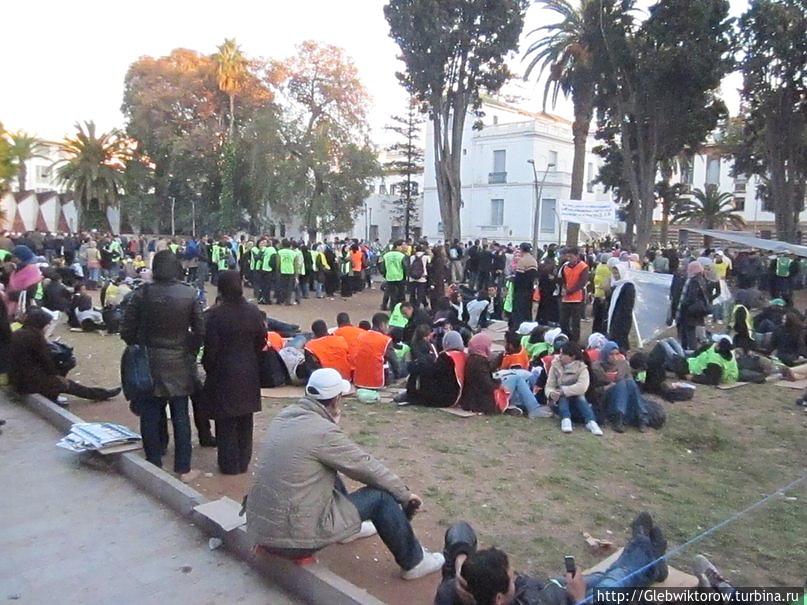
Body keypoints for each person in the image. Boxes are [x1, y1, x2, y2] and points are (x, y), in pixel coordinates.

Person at [246, 368, 445, 579]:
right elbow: (366, 466)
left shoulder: (283, 418)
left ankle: (350, 529)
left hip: (261, 530)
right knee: (381, 498)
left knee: (321, 471)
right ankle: (414, 561)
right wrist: (404, 495)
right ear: (336, 400)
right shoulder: (323, 432)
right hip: (293, 541)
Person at [435, 512, 669, 605]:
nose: (515, 576)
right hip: (579, 599)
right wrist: (578, 599)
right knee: (618, 577)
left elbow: (459, 529)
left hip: (558, 587)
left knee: (606, 574)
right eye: (511, 577)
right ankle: (646, 547)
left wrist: (459, 567)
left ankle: (652, 561)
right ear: (498, 598)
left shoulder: (452, 592)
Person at [121, 250, 204, 482]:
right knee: (180, 415)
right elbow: (200, 330)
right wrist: (189, 350)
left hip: (148, 360)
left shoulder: (142, 294)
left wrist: (139, 345)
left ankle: (154, 461)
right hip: (180, 360)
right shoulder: (190, 294)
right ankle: (183, 466)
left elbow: (126, 329)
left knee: (149, 413)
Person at [200, 271, 265, 475]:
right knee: (246, 420)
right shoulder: (253, 312)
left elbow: (210, 348)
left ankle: (229, 464)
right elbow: (261, 340)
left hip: (223, 372)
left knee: (225, 421)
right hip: (248, 370)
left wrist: (210, 367)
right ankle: (243, 461)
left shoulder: (215, 315)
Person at [9, 308, 120, 403]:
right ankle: (101, 394)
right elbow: (46, 361)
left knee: (63, 379)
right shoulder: (35, 338)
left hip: (18, 378)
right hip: (28, 382)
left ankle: (100, 393)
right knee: (69, 384)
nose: (47, 327)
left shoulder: (19, 333)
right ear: (40, 324)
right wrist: (57, 377)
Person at [544, 342, 603, 435]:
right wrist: (551, 393)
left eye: (563, 354)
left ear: (572, 356)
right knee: (562, 395)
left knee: (578, 395)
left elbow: (582, 387)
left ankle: (591, 421)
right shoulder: (555, 365)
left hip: (579, 401)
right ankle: (566, 419)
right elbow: (549, 385)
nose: (560, 356)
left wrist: (564, 391)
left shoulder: (582, 368)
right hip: (559, 401)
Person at [591, 341, 649, 433]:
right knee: (621, 383)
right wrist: (610, 383)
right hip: (605, 397)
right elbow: (593, 390)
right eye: (611, 354)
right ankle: (618, 417)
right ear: (605, 354)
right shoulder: (596, 367)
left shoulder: (623, 364)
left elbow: (632, 384)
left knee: (629, 382)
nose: (614, 357)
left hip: (624, 395)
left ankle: (641, 417)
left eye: (617, 354)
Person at [398, 330, 466, 407]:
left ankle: (410, 396)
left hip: (445, 398)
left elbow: (433, 371)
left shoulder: (447, 357)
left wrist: (415, 366)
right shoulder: (463, 356)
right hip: (456, 395)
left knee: (418, 371)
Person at [351, 313, 405, 388]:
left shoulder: (360, 336)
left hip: (358, 380)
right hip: (377, 381)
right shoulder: (386, 340)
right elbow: (394, 362)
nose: (388, 328)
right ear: (382, 325)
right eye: (387, 325)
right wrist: (398, 375)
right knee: (405, 366)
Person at [675, 261, 711, 351]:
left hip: (691, 311)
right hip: (698, 310)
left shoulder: (693, 281)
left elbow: (691, 297)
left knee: (689, 332)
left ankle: (691, 351)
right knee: (690, 331)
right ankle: (688, 349)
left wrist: (683, 304)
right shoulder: (702, 279)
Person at [559, 247, 589, 344]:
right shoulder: (565, 267)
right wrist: (563, 288)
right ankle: (565, 338)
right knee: (563, 321)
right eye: (567, 256)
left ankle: (575, 342)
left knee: (575, 323)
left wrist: (569, 291)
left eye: (571, 256)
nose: (568, 259)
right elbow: (562, 280)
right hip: (566, 299)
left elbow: (581, 283)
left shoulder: (583, 267)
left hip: (577, 299)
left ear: (577, 256)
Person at [607, 262, 636, 350]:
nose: (615, 276)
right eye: (614, 273)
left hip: (623, 318)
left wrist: (620, 317)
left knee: (621, 340)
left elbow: (628, 305)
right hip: (614, 317)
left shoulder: (628, 286)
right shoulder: (616, 285)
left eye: (617, 273)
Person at [510, 243, 539, 330]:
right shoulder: (533, 260)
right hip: (529, 290)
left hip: (521, 291)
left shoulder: (522, 261)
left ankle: (517, 330)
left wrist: (513, 281)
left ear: (522, 250)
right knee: (527, 312)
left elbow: (519, 278)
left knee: (519, 313)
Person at [380, 241, 407, 311]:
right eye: (401, 246)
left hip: (390, 277)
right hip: (400, 277)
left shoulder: (386, 255)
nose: (402, 248)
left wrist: (385, 274)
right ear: (397, 246)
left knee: (392, 296)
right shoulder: (401, 256)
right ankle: (401, 309)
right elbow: (405, 267)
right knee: (401, 295)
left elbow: (382, 267)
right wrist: (406, 275)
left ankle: (393, 310)